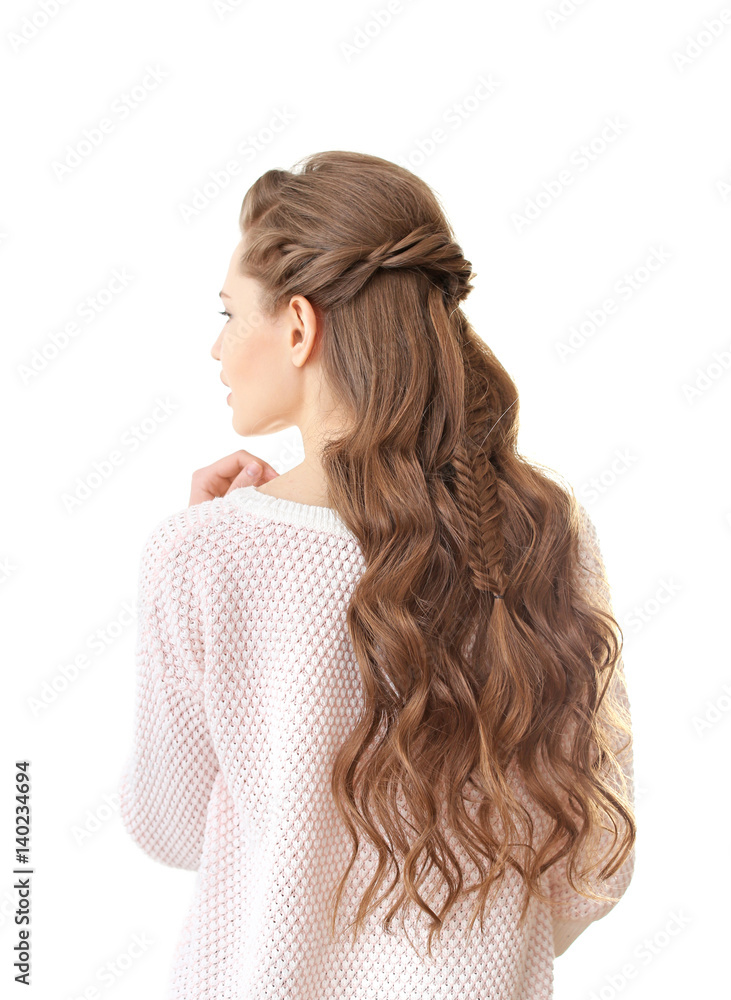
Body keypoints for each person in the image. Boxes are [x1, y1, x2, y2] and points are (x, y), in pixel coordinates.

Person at [118, 150, 636, 999]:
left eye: (227, 313)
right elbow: (591, 868)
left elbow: (169, 828)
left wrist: (204, 544)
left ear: (297, 326)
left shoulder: (201, 554)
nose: (216, 347)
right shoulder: (544, 532)